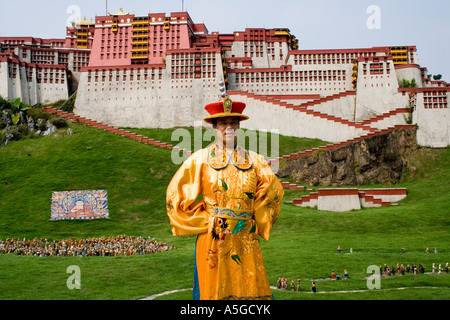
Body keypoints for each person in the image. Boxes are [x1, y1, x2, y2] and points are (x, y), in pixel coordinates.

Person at [166, 94, 284, 301]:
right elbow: (176, 195)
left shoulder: (255, 160)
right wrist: (206, 220)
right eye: (222, 122)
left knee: (248, 291)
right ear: (214, 126)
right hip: (214, 238)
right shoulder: (200, 160)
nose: (228, 126)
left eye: (232, 122)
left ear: (238, 126)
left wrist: (254, 219)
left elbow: (273, 192)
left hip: (245, 238)